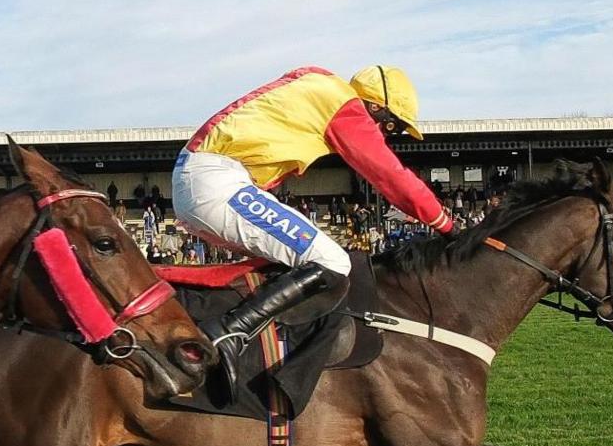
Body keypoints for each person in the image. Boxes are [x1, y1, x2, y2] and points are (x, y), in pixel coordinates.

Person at [174, 64, 454, 344]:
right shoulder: (343, 103)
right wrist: (445, 224)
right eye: (392, 126)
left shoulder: (319, 88)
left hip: (208, 178)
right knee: (332, 261)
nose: (384, 135)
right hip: (215, 181)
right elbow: (389, 175)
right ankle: (225, 335)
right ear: (376, 107)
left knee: (292, 265)